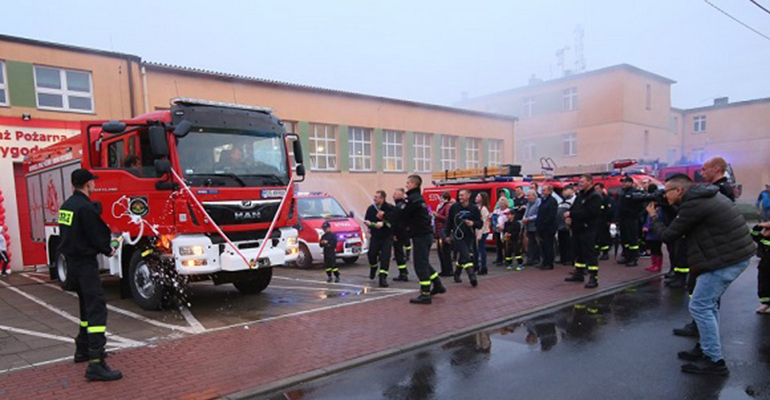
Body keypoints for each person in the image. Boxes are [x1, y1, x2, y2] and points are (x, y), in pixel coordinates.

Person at [648, 174, 755, 375]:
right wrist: (668, 206)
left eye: (666, 191)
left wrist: (653, 216)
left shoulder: (695, 203)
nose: (664, 195)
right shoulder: (702, 197)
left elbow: (669, 235)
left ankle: (714, 360)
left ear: (679, 190)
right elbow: (686, 219)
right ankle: (706, 348)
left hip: (725, 259)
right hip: (731, 255)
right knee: (708, 305)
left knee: (700, 305)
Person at [58, 169, 122, 381]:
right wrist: (111, 247)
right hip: (85, 265)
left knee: (86, 306)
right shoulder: (85, 208)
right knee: (96, 309)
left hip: (71, 264)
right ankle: (96, 362)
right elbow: (97, 236)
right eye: (93, 182)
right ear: (88, 184)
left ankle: (82, 349)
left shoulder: (66, 206)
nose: (94, 184)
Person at [388, 175, 446, 304]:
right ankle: (437, 284)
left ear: (414, 184)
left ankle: (425, 294)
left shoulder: (412, 199)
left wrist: (386, 216)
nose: (406, 185)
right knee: (424, 262)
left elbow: (400, 214)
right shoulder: (417, 198)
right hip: (423, 235)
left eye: (408, 183)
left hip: (421, 235)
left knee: (420, 265)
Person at [564, 174, 602, 289]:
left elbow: (590, 212)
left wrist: (571, 214)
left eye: (582, 182)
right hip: (577, 228)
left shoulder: (594, 196)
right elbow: (574, 208)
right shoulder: (580, 195)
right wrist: (569, 217)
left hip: (588, 229)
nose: (580, 184)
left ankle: (593, 277)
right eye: (579, 182)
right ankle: (579, 273)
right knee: (578, 252)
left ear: (590, 182)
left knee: (590, 253)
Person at [444, 189, 482, 287]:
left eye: (462, 195)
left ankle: (457, 274)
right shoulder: (454, 207)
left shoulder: (474, 208)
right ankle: (472, 277)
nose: (460, 197)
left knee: (463, 256)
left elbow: (480, 223)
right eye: (459, 195)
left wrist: (473, 223)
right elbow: (449, 222)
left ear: (468, 196)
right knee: (467, 255)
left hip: (469, 236)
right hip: (457, 236)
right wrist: (446, 235)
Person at [364, 190, 394, 288]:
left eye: (376, 197)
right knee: (371, 255)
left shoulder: (389, 208)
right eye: (374, 197)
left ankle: (383, 278)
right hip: (375, 236)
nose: (374, 199)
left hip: (386, 237)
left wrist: (384, 223)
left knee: (385, 257)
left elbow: (393, 221)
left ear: (382, 198)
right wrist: (369, 224)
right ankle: (373, 268)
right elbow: (367, 219)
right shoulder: (371, 209)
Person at [617, 176, 643, 266]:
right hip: (623, 219)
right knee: (625, 239)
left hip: (631, 219)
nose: (623, 184)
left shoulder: (635, 192)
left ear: (631, 183)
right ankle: (626, 256)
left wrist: (634, 214)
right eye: (623, 182)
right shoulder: (622, 192)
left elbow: (640, 207)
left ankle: (634, 258)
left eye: (626, 182)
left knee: (632, 239)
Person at [535, 185, 558, 270]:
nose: (542, 192)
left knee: (548, 246)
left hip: (549, 228)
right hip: (542, 227)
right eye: (542, 190)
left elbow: (551, 215)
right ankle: (544, 262)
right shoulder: (543, 200)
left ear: (549, 191)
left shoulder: (552, 201)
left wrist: (544, 224)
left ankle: (549, 263)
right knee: (543, 246)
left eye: (544, 190)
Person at [750, 221, 770, 314]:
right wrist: (760, 225)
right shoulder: (762, 239)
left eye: (768, 229)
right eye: (764, 229)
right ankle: (765, 303)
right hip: (764, 266)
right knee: (763, 284)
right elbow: (753, 233)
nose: (765, 231)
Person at [391, 188, 410, 282]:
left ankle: (403, 273)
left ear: (401, 195)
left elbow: (395, 222)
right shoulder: (405, 205)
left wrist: (394, 234)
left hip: (399, 233)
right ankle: (403, 272)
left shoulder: (398, 207)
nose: (393, 196)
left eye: (395, 194)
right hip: (406, 232)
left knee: (398, 253)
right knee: (401, 252)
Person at [433, 192, 454, 277]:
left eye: (441, 198)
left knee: (445, 252)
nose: (440, 199)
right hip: (440, 231)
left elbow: (447, 218)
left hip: (443, 231)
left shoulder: (447, 206)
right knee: (441, 252)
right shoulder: (443, 206)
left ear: (445, 198)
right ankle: (444, 270)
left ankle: (448, 270)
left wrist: (437, 215)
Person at [493, 189, 514, 265]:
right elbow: (493, 220)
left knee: (506, 245)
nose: (501, 204)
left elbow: (510, 221)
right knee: (498, 245)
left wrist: (504, 228)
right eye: (500, 202)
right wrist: (497, 226)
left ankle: (507, 259)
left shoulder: (509, 211)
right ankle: (499, 259)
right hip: (497, 230)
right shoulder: (496, 211)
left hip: (505, 230)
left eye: (502, 202)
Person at [556, 185, 576, 266]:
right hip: (560, 226)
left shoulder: (574, 199)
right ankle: (563, 258)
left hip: (568, 226)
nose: (563, 192)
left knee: (568, 243)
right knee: (562, 243)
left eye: (565, 190)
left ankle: (569, 258)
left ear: (571, 190)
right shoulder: (563, 200)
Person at [474, 192, 491, 275]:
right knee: (475, 249)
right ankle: (476, 265)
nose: (476, 197)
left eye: (478, 196)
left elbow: (484, 222)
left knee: (481, 249)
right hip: (477, 231)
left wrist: (480, 233)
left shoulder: (483, 209)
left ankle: (483, 267)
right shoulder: (477, 207)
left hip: (483, 231)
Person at [522, 191, 541, 266]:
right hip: (528, 226)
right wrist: (524, 218)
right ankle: (530, 259)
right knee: (530, 243)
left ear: (534, 196)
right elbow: (526, 213)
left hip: (535, 226)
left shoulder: (538, 203)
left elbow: (538, 214)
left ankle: (536, 259)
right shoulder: (528, 204)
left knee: (535, 243)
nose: (528, 197)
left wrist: (529, 219)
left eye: (529, 195)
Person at [594, 183, 613, 261]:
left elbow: (609, 211)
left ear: (602, 189)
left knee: (604, 237)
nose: (596, 190)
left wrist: (608, 220)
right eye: (595, 188)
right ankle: (596, 252)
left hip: (604, 221)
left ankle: (605, 253)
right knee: (596, 237)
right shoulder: (594, 198)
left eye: (597, 188)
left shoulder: (606, 198)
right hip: (595, 221)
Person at [642, 207, 664, 273]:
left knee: (657, 249)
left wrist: (648, 227)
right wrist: (645, 226)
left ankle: (658, 265)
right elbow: (647, 221)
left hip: (656, 234)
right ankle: (653, 264)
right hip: (649, 235)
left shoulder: (660, 211)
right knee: (652, 249)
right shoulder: (650, 211)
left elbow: (658, 221)